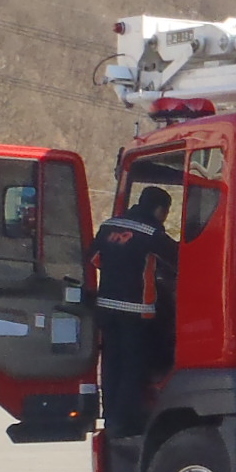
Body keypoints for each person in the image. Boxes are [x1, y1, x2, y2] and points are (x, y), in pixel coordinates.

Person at [90, 185, 177, 438]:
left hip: (107, 307)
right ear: (160, 210)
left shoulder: (109, 225)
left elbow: (95, 259)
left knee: (111, 363)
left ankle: (110, 417)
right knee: (132, 366)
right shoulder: (151, 232)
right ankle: (125, 421)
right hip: (136, 310)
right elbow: (179, 260)